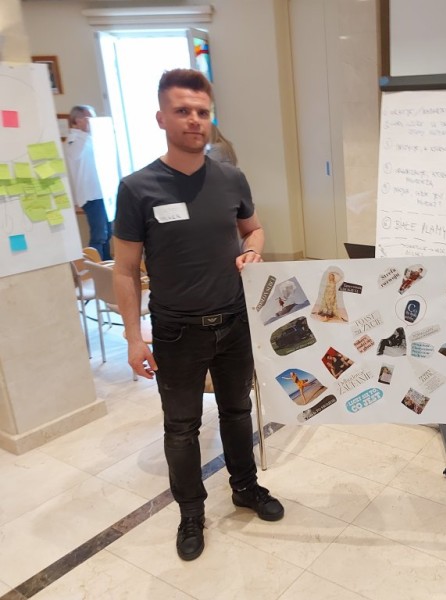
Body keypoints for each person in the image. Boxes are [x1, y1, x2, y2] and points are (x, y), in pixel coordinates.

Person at [112, 68, 284, 562]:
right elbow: (124, 270)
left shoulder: (231, 178)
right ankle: (191, 512)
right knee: (182, 428)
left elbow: (253, 229)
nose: (194, 120)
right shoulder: (137, 188)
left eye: (202, 112)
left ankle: (245, 487)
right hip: (176, 331)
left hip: (233, 321)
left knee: (237, 411)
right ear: (161, 118)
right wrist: (133, 338)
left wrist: (252, 250)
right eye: (182, 111)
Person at [64, 105, 113, 260]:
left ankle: (107, 264)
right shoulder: (73, 140)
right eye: (89, 118)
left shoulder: (90, 138)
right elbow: (75, 155)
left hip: (101, 192)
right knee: (99, 234)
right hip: (91, 195)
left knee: (107, 232)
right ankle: (96, 267)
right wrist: (87, 131)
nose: (93, 122)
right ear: (78, 120)